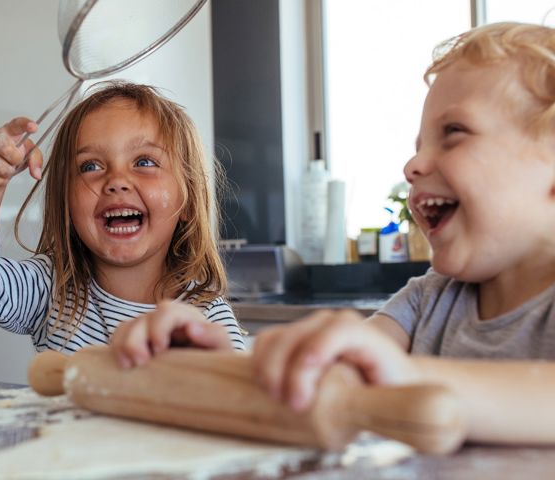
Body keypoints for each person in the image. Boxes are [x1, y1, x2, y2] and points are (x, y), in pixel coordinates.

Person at [124, 22, 555, 445]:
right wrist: (217, 366)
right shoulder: (429, 300)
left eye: (454, 133)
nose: (413, 166)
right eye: (418, 145)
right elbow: (332, 369)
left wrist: (411, 377)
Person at [0, 82, 245, 355]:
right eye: (90, 166)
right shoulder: (54, 290)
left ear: (187, 199)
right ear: (66, 203)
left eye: (144, 161)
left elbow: (241, 405)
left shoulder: (204, 317)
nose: (116, 180)